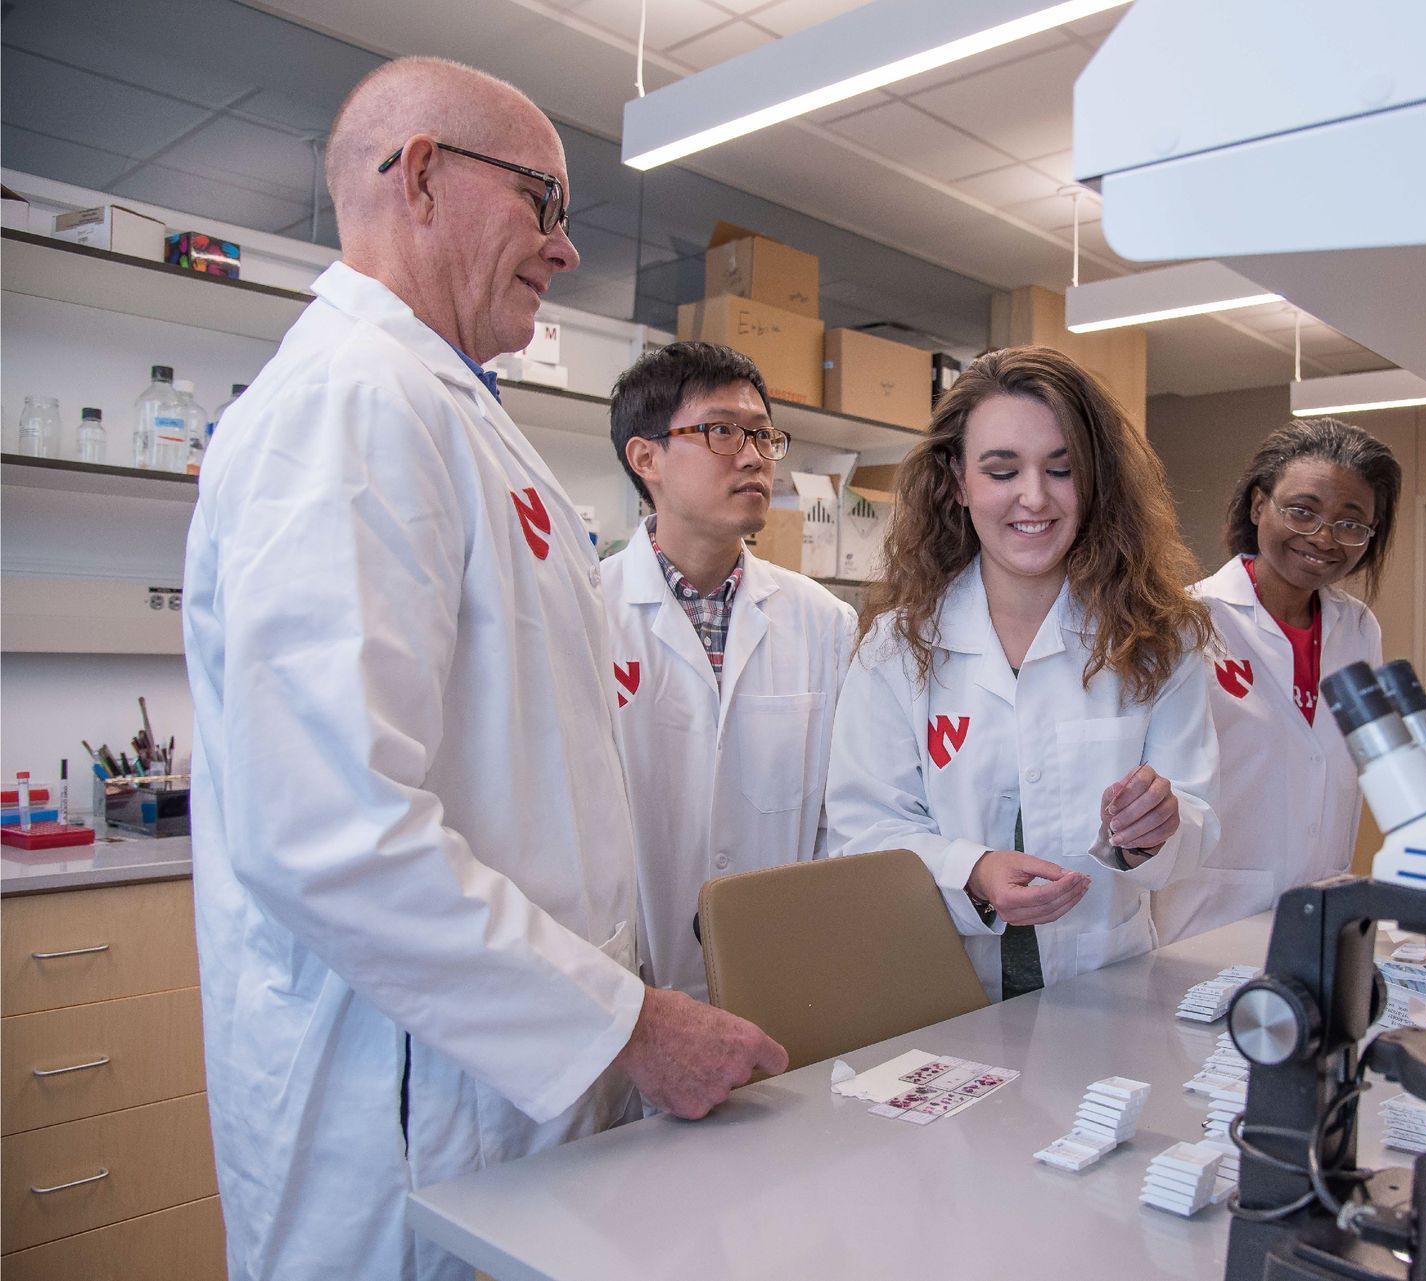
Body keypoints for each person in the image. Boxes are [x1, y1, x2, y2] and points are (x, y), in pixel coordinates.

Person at [182, 58, 784, 1281]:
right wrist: (624, 1023)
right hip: (407, 1112)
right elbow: (329, 831)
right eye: (544, 204)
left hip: (502, 1092)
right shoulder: (350, 405)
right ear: (420, 178)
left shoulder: (447, 407)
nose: (565, 252)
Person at [825, 346, 1219, 1000]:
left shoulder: (1160, 640)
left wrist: (1154, 832)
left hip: (1106, 988)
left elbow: (1197, 815)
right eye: (1002, 470)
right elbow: (862, 832)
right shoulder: (899, 645)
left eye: (1061, 469)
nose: (1033, 497)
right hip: (941, 989)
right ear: (957, 480)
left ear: (1095, 480)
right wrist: (973, 869)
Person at [602, 342, 857, 1000]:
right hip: (626, 998)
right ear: (646, 457)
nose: (754, 455)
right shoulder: (580, 611)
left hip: (781, 988)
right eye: (721, 431)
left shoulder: (824, 624)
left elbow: (842, 822)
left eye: (764, 435)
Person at [1152, 417, 1402, 944]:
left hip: (1320, 911)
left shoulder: (1357, 628)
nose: (1324, 538)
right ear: (1258, 505)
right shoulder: (1187, 621)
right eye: (1302, 511)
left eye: (1350, 523)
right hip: (1210, 917)